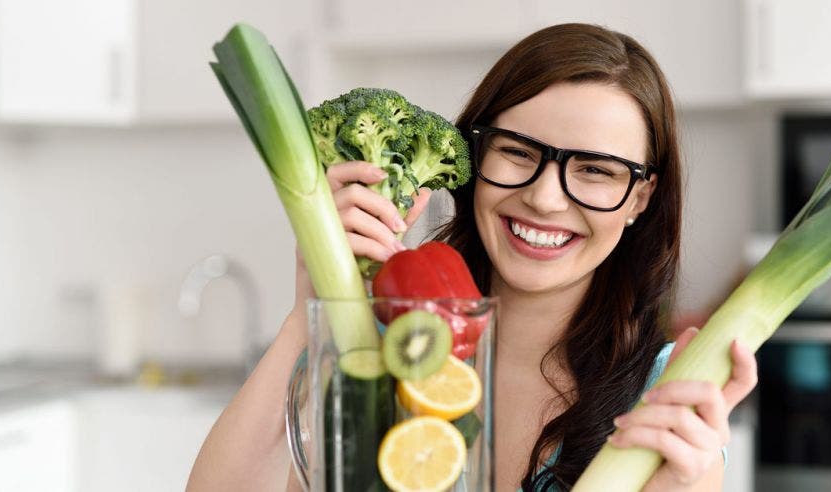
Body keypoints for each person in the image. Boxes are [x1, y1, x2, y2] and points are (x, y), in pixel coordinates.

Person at [187, 23, 758, 492]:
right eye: (518, 152)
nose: (544, 197)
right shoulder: (379, 343)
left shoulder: (663, 402)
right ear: (472, 153)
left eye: (595, 170)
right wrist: (310, 314)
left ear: (640, 197)